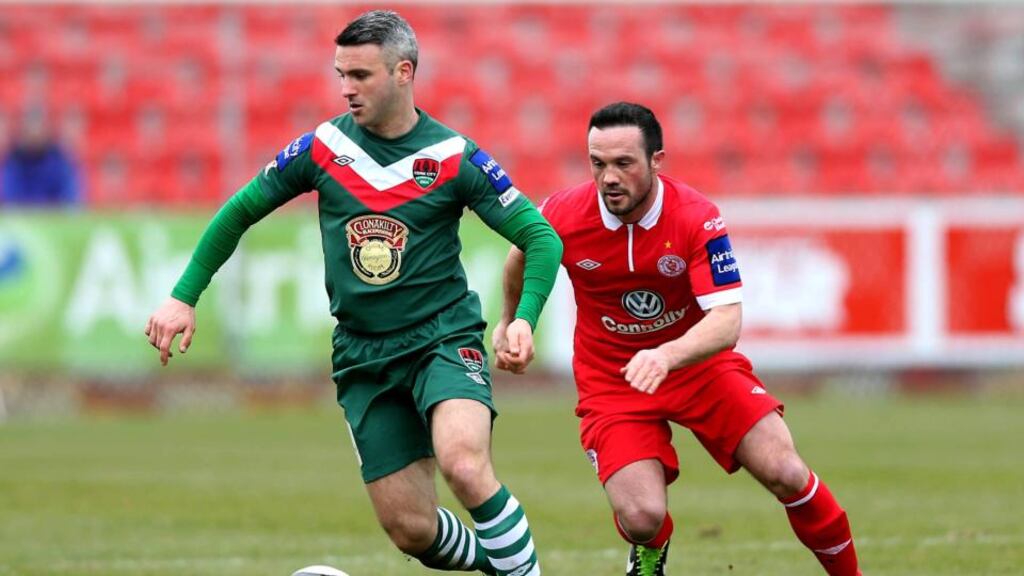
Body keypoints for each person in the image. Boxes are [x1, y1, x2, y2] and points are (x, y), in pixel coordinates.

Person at [145, 11, 561, 576]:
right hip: (364, 353)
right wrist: (183, 295)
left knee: (463, 463)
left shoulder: (453, 157)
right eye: (341, 73)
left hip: (443, 337)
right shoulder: (322, 148)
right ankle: (502, 562)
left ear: (403, 72)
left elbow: (540, 237)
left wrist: (523, 319)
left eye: (361, 75)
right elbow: (240, 211)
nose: (346, 88)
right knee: (411, 528)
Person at [494, 102, 860, 576]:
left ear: (656, 161)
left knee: (786, 471)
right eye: (598, 163)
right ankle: (649, 551)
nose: (608, 177)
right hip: (613, 380)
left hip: (697, 366)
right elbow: (521, 256)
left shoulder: (695, 216)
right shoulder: (563, 213)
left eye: (623, 163)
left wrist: (667, 354)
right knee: (642, 516)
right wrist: (511, 321)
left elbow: (727, 320)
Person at [0, 107, 82, 206]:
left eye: (38, 127)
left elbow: (70, 197)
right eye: (30, 128)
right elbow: (8, 198)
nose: (35, 134)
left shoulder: (60, 160)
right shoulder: (13, 161)